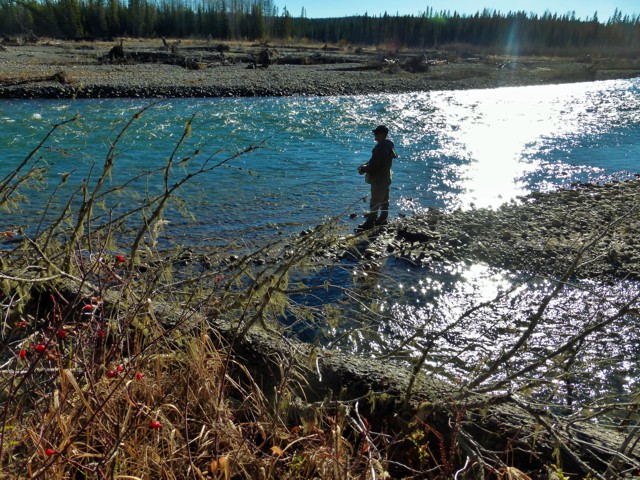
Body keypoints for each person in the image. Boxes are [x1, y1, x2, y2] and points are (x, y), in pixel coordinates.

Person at [357, 125, 398, 231]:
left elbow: (375, 165)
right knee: (384, 199)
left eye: (376, 133)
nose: (374, 135)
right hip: (386, 177)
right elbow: (376, 161)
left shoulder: (380, 147)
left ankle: (370, 223)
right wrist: (366, 165)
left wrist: (364, 169)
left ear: (383, 134)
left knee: (375, 201)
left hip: (379, 179)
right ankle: (383, 219)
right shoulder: (389, 145)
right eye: (374, 133)